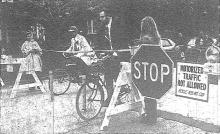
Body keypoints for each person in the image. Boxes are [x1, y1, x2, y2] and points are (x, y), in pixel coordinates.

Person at [138, 16, 161, 124]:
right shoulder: (157, 37)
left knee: (147, 93)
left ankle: (150, 117)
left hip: (147, 68)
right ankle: (152, 116)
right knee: (151, 94)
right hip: (153, 68)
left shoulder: (146, 38)